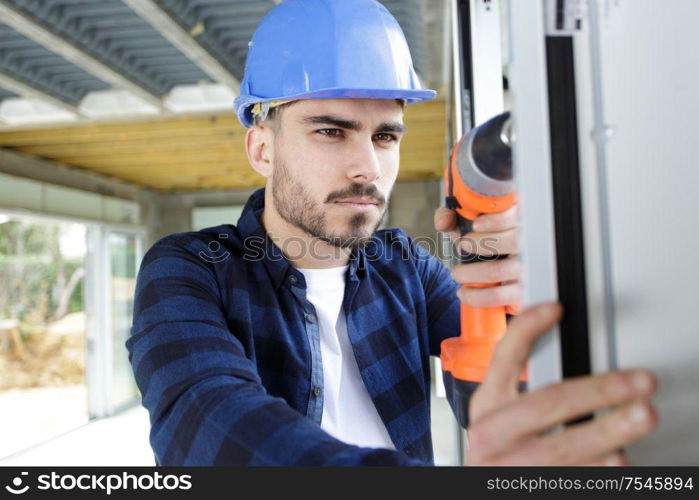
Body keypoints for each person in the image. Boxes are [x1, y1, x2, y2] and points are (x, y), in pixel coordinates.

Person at [126, 0, 657, 466]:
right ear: (262, 149)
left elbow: (498, 386)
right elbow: (206, 422)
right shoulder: (191, 268)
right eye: (331, 131)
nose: (367, 168)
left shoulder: (407, 266)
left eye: (384, 136)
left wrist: (524, 297)